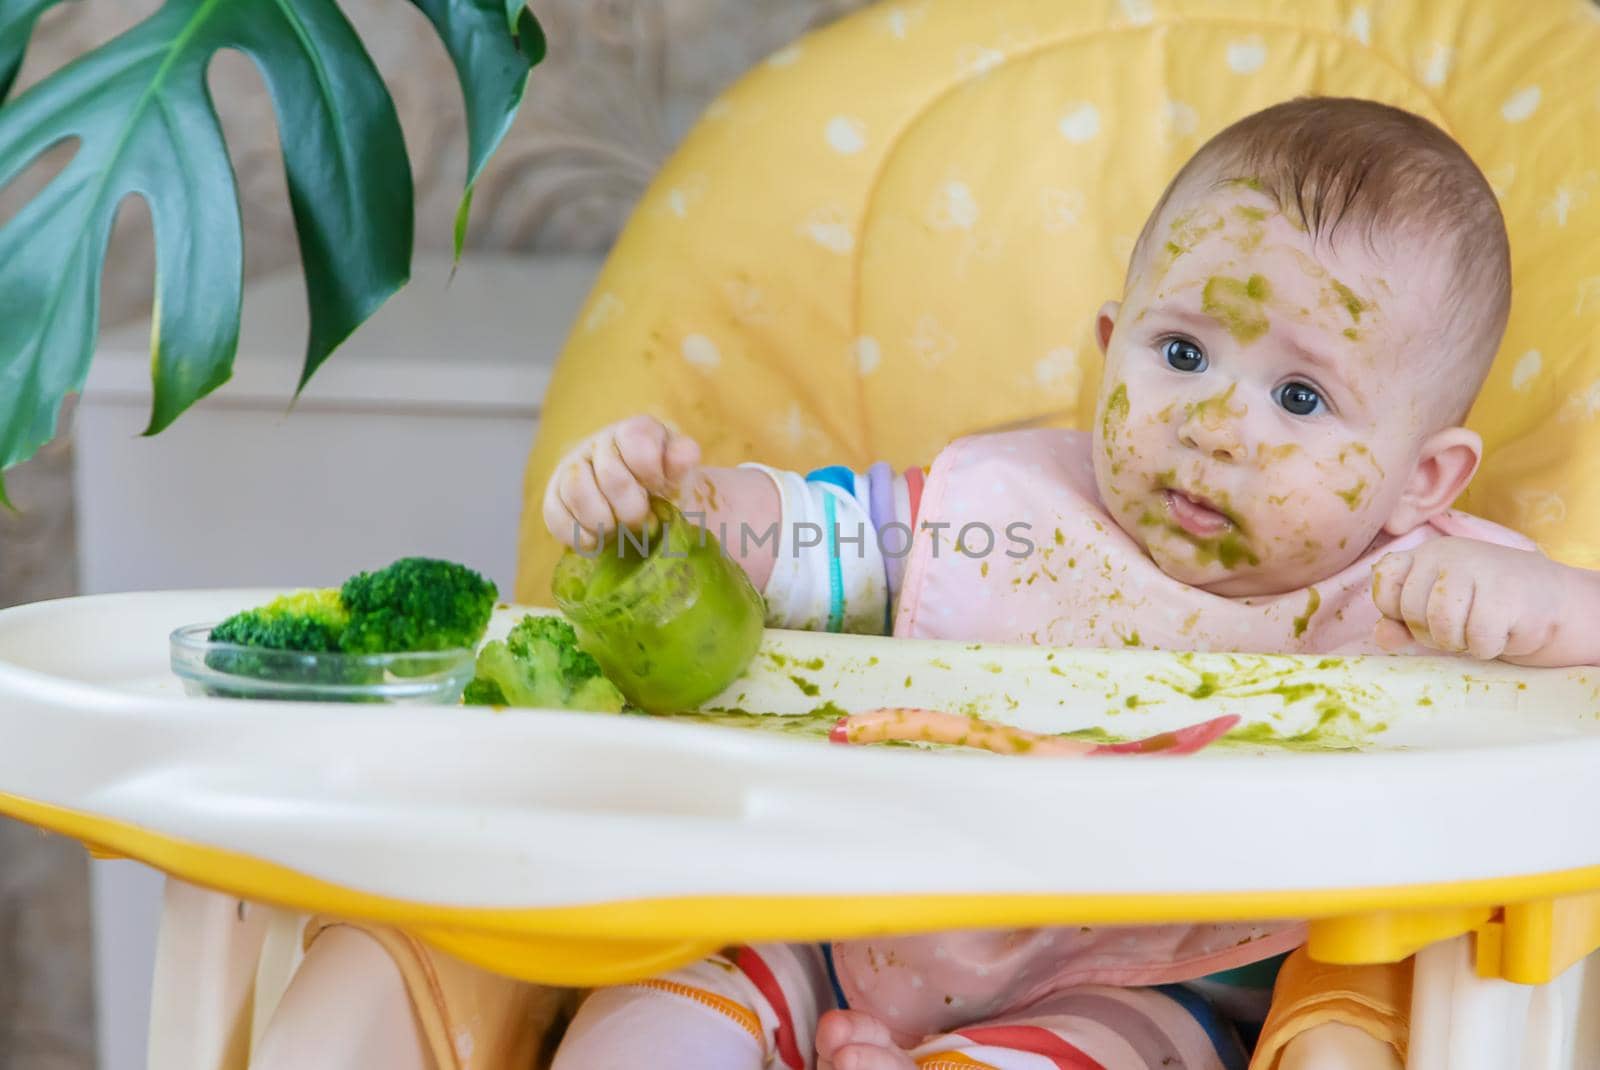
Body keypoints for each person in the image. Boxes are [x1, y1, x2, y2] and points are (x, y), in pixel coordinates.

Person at [541, 97, 1596, 1069]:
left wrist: (1543, 608)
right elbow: (826, 540)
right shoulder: (1008, 513)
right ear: (1108, 349)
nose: (1215, 424)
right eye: (1181, 351)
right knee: (653, 1011)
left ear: (1422, 478)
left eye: (1299, 394)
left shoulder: (1418, 597)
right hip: (847, 916)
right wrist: (682, 509)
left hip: (1146, 984)